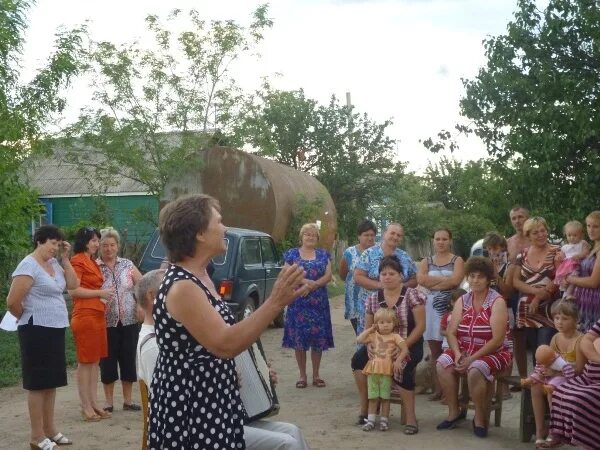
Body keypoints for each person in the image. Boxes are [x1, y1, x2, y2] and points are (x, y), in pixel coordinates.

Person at [148, 194, 308, 449]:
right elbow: (224, 343)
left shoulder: (200, 278)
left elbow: (210, 344)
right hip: (193, 410)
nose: (225, 228)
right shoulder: (182, 286)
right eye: (219, 221)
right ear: (200, 233)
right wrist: (275, 302)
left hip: (210, 402)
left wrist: (256, 371)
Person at [135, 269, 310, 450]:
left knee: (293, 431)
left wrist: (260, 376)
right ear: (152, 296)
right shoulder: (153, 346)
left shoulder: (175, 337)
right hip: (200, 427)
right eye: (170, 289)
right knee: (286, 443)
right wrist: (228, 378)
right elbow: (175, 394)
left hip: (221, 414)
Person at [6, 225, 79, 450]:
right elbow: (12, 302)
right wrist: (27, 317)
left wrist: (66, 260)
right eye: (52, 243)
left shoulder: (55, 264)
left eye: (58, 244)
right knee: (38, 384)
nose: (55, 248)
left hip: (55, 328)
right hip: (35, 329)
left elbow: (74, 286)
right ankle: (36, 436)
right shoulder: (28, 265)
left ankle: (50, 429)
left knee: (51, 382)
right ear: (39, 241)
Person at [436, 256, 511, 438]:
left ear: (488, 279)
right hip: (464, 349)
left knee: (476, 369)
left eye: (480, 277)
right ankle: (454, 412)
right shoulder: (463, 300)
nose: (475, 280)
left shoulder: (497, 302)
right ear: (467, 278)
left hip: (494, 351)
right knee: (442, 363)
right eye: (472, 276)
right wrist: (456, 354)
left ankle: (479, 417)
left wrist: (472, 358)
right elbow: (451, 332)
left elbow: (498, 339)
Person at [351, 255, 425, 435]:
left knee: (403, 368)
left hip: (408, 343)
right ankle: (366, 408)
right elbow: (369, 328)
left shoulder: (412, 294)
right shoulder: (373, 298)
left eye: (392, 273)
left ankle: (411, 418)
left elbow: (421, 326)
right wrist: (370, 344)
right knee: (358, 362)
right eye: (383, 274)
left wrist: (401, 346)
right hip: (380, 344)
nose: (387, 277)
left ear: (400, 275)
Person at [68, 227, 114, 422]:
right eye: (93, 240)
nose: (97, 244)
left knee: (95, 362)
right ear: (84, 241)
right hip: (85, 315)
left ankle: (94, 402)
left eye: (97, 240)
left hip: (97, 314)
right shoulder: (77, 260)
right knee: (85, 362)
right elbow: (73, 290)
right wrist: (99, 294)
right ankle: (85, 406)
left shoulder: (93, 262)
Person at [524, 301, 584, 446]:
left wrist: (557, 370)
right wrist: (544, 370)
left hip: (573, 379)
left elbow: (580, 369)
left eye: (565, 318)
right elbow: (548, 359)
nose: (560, 322)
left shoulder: (581, 340)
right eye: (557, 318)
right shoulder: (556, 338)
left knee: (552, 390)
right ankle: (539, 430)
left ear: (576, 320)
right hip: (555, 376)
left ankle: (555, 431)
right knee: (536, 386)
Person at [96, 227, 143, 412]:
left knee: (128, 358)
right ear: (99, 247)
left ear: (118, 246)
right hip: (105, 320)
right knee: (107, 360)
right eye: (105, 245)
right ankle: (108, 402)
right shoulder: (94, 266)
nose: (108, 249)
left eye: (112, 245)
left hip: (129, 319)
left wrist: (140, 304)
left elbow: (142, 284)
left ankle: (128, 400)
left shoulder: (127, 264)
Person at [282, 223, 333, 389]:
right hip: (298, 303)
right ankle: (302, 376)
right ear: (301, 237)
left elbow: (328, 275)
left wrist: (314, 285)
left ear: (317, 238)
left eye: (313, 235)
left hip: (319, 304)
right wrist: (305, 282)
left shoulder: (323, 254)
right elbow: (286, 272)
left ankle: (316, 374)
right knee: (300, 339)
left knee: (317, 339)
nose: (310, 237)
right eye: (307, 234)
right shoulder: (292, 254)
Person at [417, 228, 464, 400]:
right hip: (430, 310)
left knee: (451, 349)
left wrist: (433, 284)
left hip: (451, 309)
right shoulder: (426, 261)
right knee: (435, 351)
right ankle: (438, 390)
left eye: (444, 239)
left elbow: (456, 281)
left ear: (450, 240)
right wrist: (445, 282)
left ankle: (452, 392)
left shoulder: (457, 260)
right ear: (433, 241)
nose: (441, 242)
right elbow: (421, 280)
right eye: (437, 239)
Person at [543, 317, 600, 449]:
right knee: (560, 391)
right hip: (590, 375)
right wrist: (596, 356)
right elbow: (588, 339)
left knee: (580, 400)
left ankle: (589, 443)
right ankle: (562, 435)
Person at [354, 222, 418, 337]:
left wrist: (400, 287)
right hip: (371, 307)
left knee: (394, 341)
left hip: (397, 308)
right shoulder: (369, 253)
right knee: (369, 339)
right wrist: (381, 285)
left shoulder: (405, 257)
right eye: (392, 233)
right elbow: (358, 276)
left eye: (399, 235)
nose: (395, 237)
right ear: (384, 234)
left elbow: (414, 279)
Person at [512, 217, 560, 362]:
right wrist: (536, 292)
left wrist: (538, 298)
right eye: (535, 232)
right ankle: (536, 383)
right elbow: (515, 281)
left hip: (549, 309)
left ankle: (548, 383)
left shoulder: (556, 251)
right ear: (528, 235)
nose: (540, 235)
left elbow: (558, 278)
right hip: (527, 310)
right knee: (535, 353)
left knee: (544, 351)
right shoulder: (523, 254)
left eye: (543, 230)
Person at [356, 308, 408, 432]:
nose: (385, 325)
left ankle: (384, 421)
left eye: (389, 322)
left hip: (386, 372)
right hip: (373, 371)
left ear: (394, 323)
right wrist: (371, 329)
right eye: (382, 322)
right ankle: (371, 420)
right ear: (377, 324)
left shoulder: (395, 337)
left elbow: (405, 349)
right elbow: (359, 339)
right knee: (373, 397)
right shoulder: (374, 336)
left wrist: (399, 360)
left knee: (385, 397)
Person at [506, 206, 531, 381]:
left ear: (528, 217)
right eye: (514, 218)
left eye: (520, 217)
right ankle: (523, 378)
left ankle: (540, 377)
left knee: (538, 337)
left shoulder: (535, 239)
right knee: (518, 338)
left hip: (534, 292)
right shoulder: (509, 242)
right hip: (514, 294)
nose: (517, 221)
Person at [339, 220, 377, 334]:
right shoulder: (349, 252)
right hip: (354, 301)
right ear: (359, 236)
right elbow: (343, 274)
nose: (369, 238)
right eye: (366, 235)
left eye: (372, 235)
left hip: (375, 301)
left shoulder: (379, 252)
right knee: (361, 335)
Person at [566, 211, 600, 332]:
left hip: (595, 303)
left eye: (596, 226)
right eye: (588, 226)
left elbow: (594, 282)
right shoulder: (592, 247)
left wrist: (570, 279)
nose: (591, 230)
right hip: (583, 300)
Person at [554, 220, 591, 299]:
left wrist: (579, 255)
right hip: (567, 266)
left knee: (574, 277)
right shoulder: (565, 247)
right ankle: (565, 294)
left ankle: (567, 294)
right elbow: (562, 258)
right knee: (566, 280)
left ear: (581, 235)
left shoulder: (582, 243)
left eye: (575, 235)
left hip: (577, 264)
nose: (572, 237)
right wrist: (559, 257)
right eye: (569, 235)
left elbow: (586, 252)